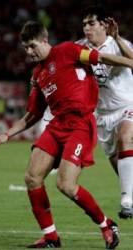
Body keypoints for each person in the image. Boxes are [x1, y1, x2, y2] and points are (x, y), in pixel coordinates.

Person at [0, 20, 133, 248]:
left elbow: (102, 58)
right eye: (25, 48)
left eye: (32, 46)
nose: (29, 52)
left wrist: (130, 62)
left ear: (45, 40)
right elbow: (32, 114)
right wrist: (7, 134)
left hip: (81, 124)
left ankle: (106, 225)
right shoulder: (38, 75)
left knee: (65, 184)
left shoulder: (67, 50)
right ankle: (51, 237)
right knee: (32, 177)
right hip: (57, 126)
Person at [77, 5, 133, 219]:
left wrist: (117, 38)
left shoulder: (118, 44)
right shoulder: (80, 48)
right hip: (102, 114)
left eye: (91, 23)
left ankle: (127, 201)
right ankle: (131, 192)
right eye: (84, 24)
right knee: (115, 160)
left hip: (127, 105)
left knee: (125, 138)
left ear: (104, 25)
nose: (87, 28)